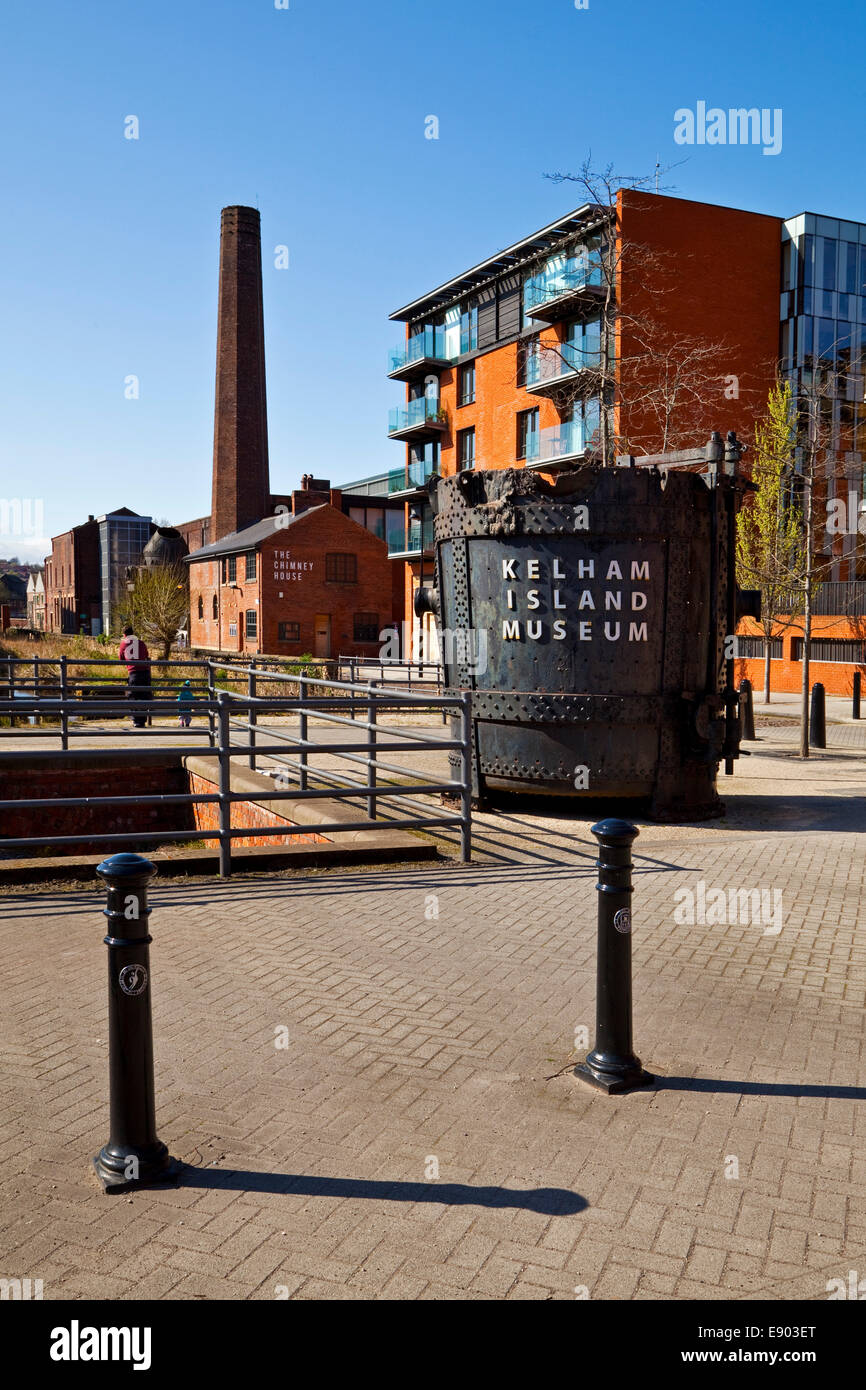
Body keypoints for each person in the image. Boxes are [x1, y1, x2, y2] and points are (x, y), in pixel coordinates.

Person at [118, 625, 152, 728]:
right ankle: (142, 720)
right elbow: (146, 655)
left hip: (134, 673)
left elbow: (121, 658)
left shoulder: (124, 643)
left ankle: (136, 720)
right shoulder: (141, 643)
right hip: (145, 672)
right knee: (144, 696)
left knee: (133, 696)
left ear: (124, 635)